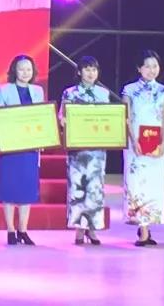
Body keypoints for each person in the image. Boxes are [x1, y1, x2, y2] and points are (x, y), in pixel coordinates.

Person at [122, 49, 164, 246]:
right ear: (139, 68)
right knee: (137, 184)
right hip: (135, 143)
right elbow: (127, 117)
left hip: (156, 143)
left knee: (153, 184)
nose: (152, 70)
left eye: (155, 66)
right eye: (147, 66)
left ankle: (146, 228)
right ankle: (143, 231)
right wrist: (133, 140)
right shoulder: (129, 90)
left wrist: (162, 142)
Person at [0, 54, 45, 246]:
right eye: (21, 69)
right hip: (11, 147)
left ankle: (23, 230)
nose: (25, 72)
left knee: (27, 189)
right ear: (14, 70)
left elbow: (41, 117)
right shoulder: (4, 90)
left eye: (28, 69)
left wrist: (43, 138)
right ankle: (10, 230)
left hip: (30, 148)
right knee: (9, 188)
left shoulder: (38, 91)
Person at [59, 55, 110, 245]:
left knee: (95, 189)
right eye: (87, 69)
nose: (91, 73)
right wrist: (65, 123)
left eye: (94, 70)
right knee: (78, 188)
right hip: (77, 149)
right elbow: (62, 117)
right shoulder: (69, 93)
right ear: (79, 72)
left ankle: (93, 229)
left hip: (97, 149)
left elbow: (109, 118)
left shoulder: (103, 93)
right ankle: (79, 230)